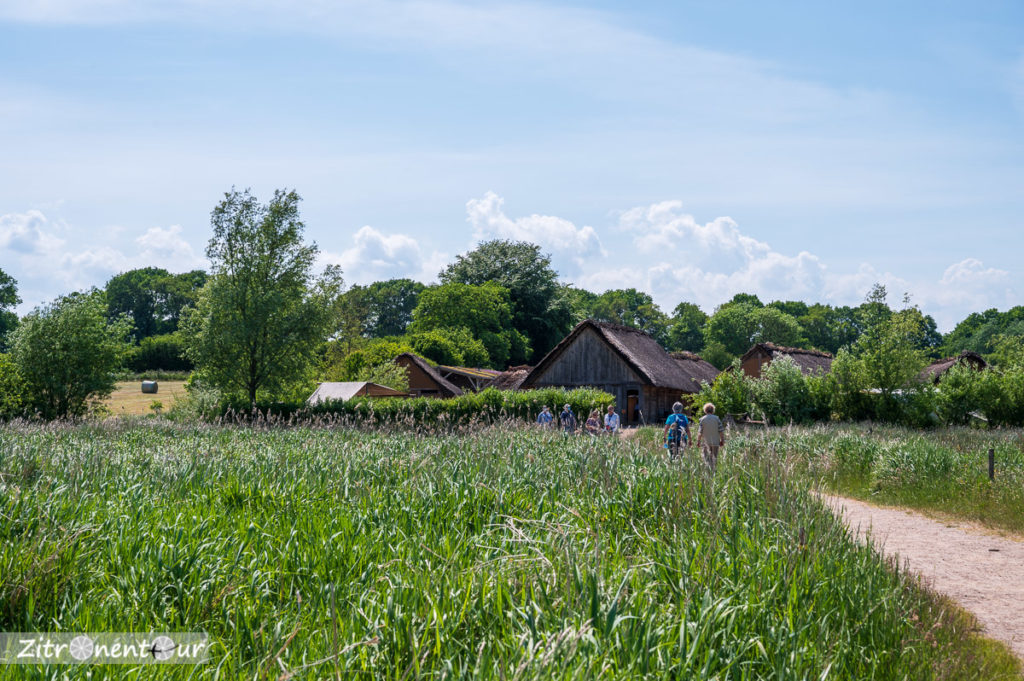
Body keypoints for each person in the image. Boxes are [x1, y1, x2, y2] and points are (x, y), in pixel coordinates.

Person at [696, 402, 726, 472]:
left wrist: (698, 441)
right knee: (714, 459)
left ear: (705, 410)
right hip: (715, 443)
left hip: (706, 443)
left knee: (706, 460)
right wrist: (722, 440)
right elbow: (721, 431)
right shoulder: (717, 419)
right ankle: (713, 472)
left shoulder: (702, 419)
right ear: (713, 410)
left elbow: (700, 432)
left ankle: (708, 473)